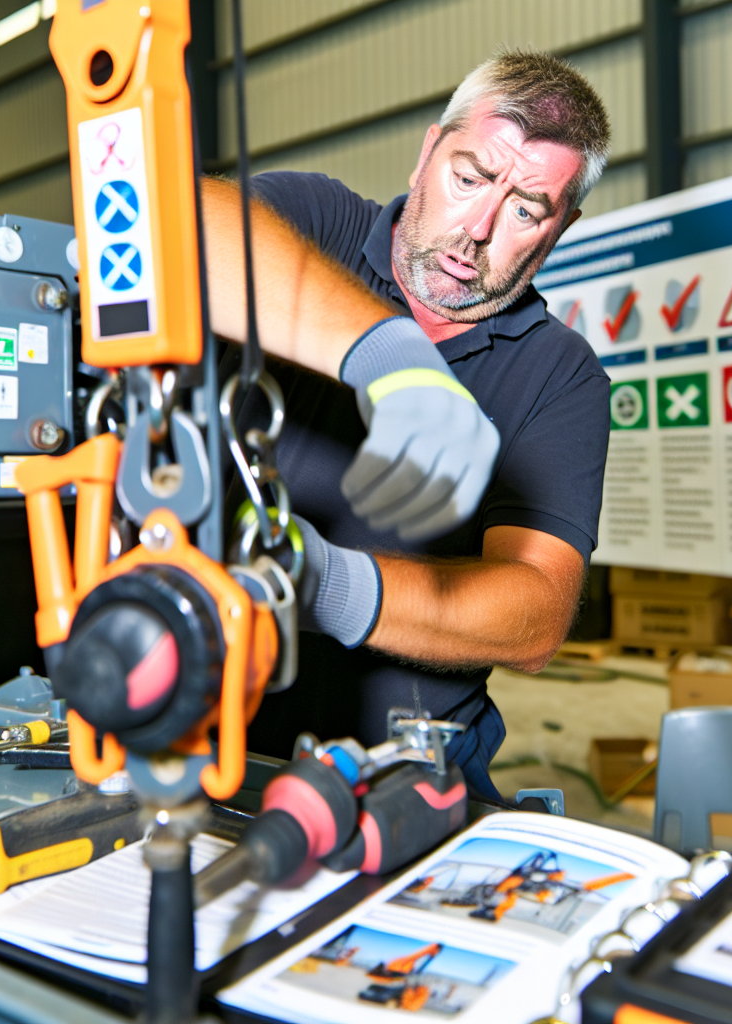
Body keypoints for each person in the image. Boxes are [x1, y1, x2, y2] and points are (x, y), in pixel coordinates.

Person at [202, 51, 612, 802]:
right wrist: (387, 355)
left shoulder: (559, 373)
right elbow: (180, 227)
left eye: (525, 210)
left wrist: (317, 581)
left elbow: (535, 613)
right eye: (470, 178)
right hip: (196, 736)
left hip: (402, 781)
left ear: (562, 227)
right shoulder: (316, 224)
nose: (478, 233)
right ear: (429, 150)